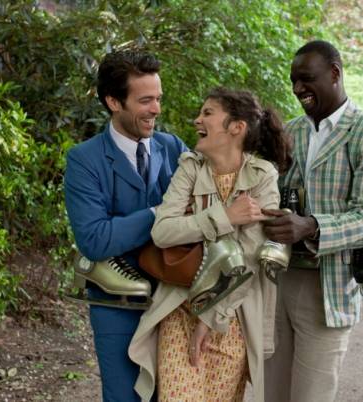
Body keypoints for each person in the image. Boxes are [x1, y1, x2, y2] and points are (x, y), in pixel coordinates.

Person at [128, 88, 292, 402]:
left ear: (236, 127)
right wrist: (225, 217)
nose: (197, 120)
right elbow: (162, 231)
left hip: (232, 316)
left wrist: (209, 318)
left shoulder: (262, 176)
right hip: (180, 306)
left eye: (207, 113)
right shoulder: (190, 166)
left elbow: (250, 259)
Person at [262, 40, 363, 402]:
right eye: (293, 81)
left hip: (329, 288)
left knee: (310, 395)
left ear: (335, 73)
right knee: (271, 393)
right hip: (278, 280)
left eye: (306, 78)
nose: (297, 89)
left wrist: (311, 226)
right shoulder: (289, 132)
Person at [63, 50, 187, 402]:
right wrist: (161, 213)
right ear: (113, 101)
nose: (156, 110)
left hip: (174, 299)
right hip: (117, 308)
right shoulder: (83, 160)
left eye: (158, 98)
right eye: (145, 100)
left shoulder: (173, 147)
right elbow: (95, 240)